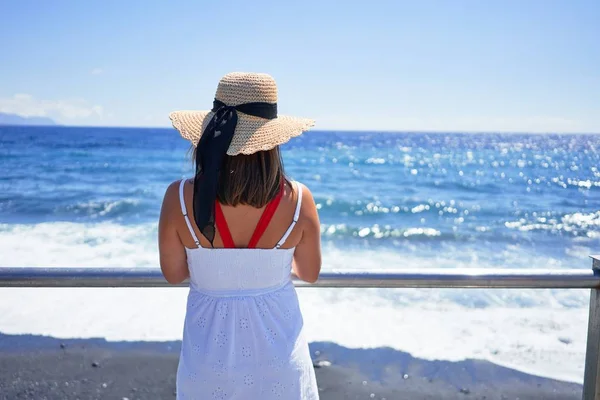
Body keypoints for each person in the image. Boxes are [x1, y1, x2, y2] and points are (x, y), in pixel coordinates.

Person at [158, 72, 322, 399]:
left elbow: (174, 274)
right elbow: (310, 273)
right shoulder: (299, 199)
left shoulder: (178, 198)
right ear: (272, 141)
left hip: (207, 366)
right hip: (281, 363)